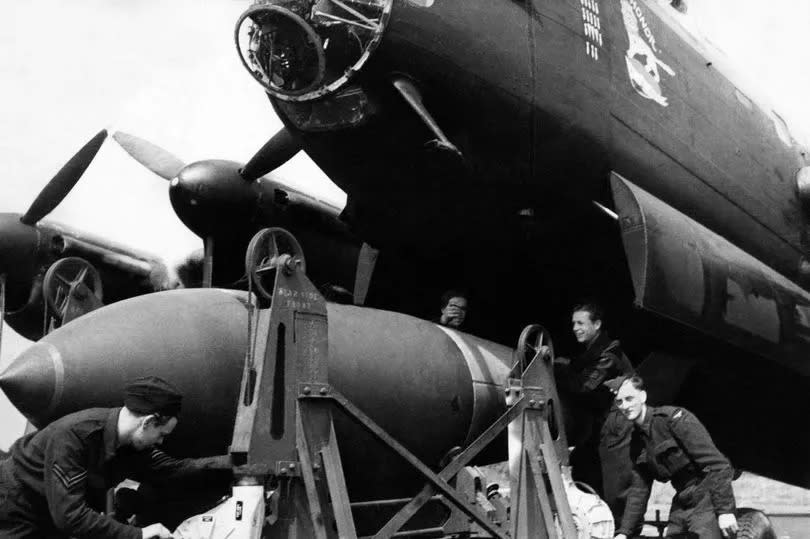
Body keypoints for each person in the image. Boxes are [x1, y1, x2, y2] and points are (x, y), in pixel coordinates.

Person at [0, 376, 231, 539]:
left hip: (48, 513)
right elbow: (69, 516)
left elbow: (172, 470)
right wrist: (139, 534)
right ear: (148, 422)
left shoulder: (130, 446)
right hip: (14, 506)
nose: (161, 441)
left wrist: (235, 464)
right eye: (161, 434)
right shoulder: (75, 437)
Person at [612, 376, 738, 539]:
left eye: (629, 398)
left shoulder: (673, 420)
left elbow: (718, 464)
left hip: (706, 493)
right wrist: (624, 533)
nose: (625, 406)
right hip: (682, 498)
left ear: (642, 397)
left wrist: (725, 511)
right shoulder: (636, 441)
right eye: (619, 402)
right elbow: (639, 490)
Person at [544, 302, 634, 504]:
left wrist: (557, 368)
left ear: (597, 324)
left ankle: (622, 532)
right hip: (601, 425)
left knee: (616, 486)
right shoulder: (592, 352)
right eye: (573, 323)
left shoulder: (609, 355)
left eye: (581, 323)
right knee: (583, 475)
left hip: (619, 424)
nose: (575, 328)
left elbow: (583, 386)